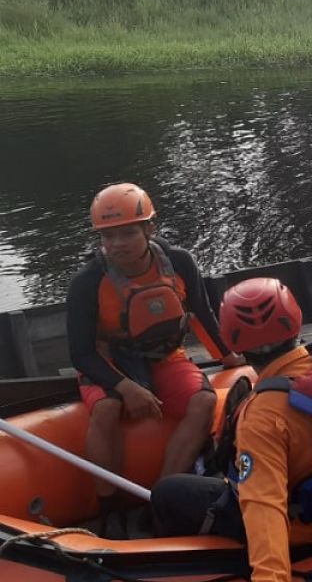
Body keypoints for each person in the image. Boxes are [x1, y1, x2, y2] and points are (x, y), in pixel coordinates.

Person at [152, 278, 312, 582]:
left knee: (167, 492)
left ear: (231, 339)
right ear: (294, 319)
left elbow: (265, 508)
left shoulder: (263, 417)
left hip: (307, 529)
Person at [67, 182, 241, 539]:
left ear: (149, 228)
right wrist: (125, 387)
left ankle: (162, 497)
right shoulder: (87, 282)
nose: (116, 244)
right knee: (105, 410)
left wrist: (228, 356)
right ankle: (110, 510)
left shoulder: (178, 262)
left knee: (204, 401)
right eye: (107, 236)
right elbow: (80, 353)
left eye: (127, 233)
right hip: (108, 361)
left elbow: (202, 313)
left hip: (163, 355)